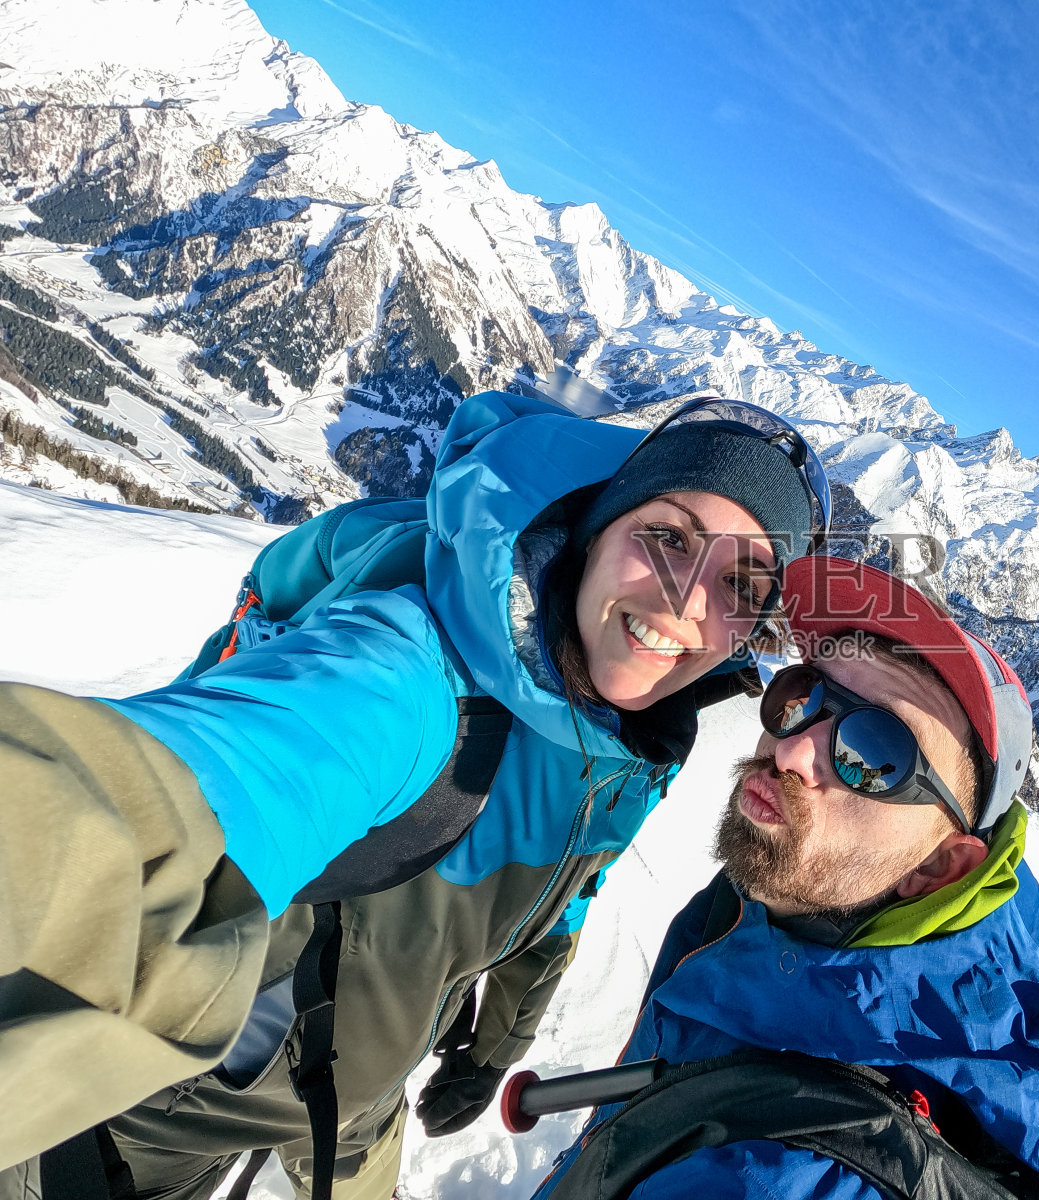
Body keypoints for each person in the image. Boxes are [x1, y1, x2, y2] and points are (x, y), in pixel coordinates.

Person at [0, 389, 830, 1198]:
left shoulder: (635, 736)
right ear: (594, 529)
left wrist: (496, 1046)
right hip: (174, 1113)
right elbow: (158, 804)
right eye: (668, 538)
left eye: (743, 585)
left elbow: (568, 896)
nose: (686, 603)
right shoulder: (411, 679)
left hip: (359, 1099)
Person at [529, 557, 1039, 1200]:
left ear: (937, 867)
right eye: (805, 696)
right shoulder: (790, 897)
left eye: (872, 755)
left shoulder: (782, 1183)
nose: (790, 749)